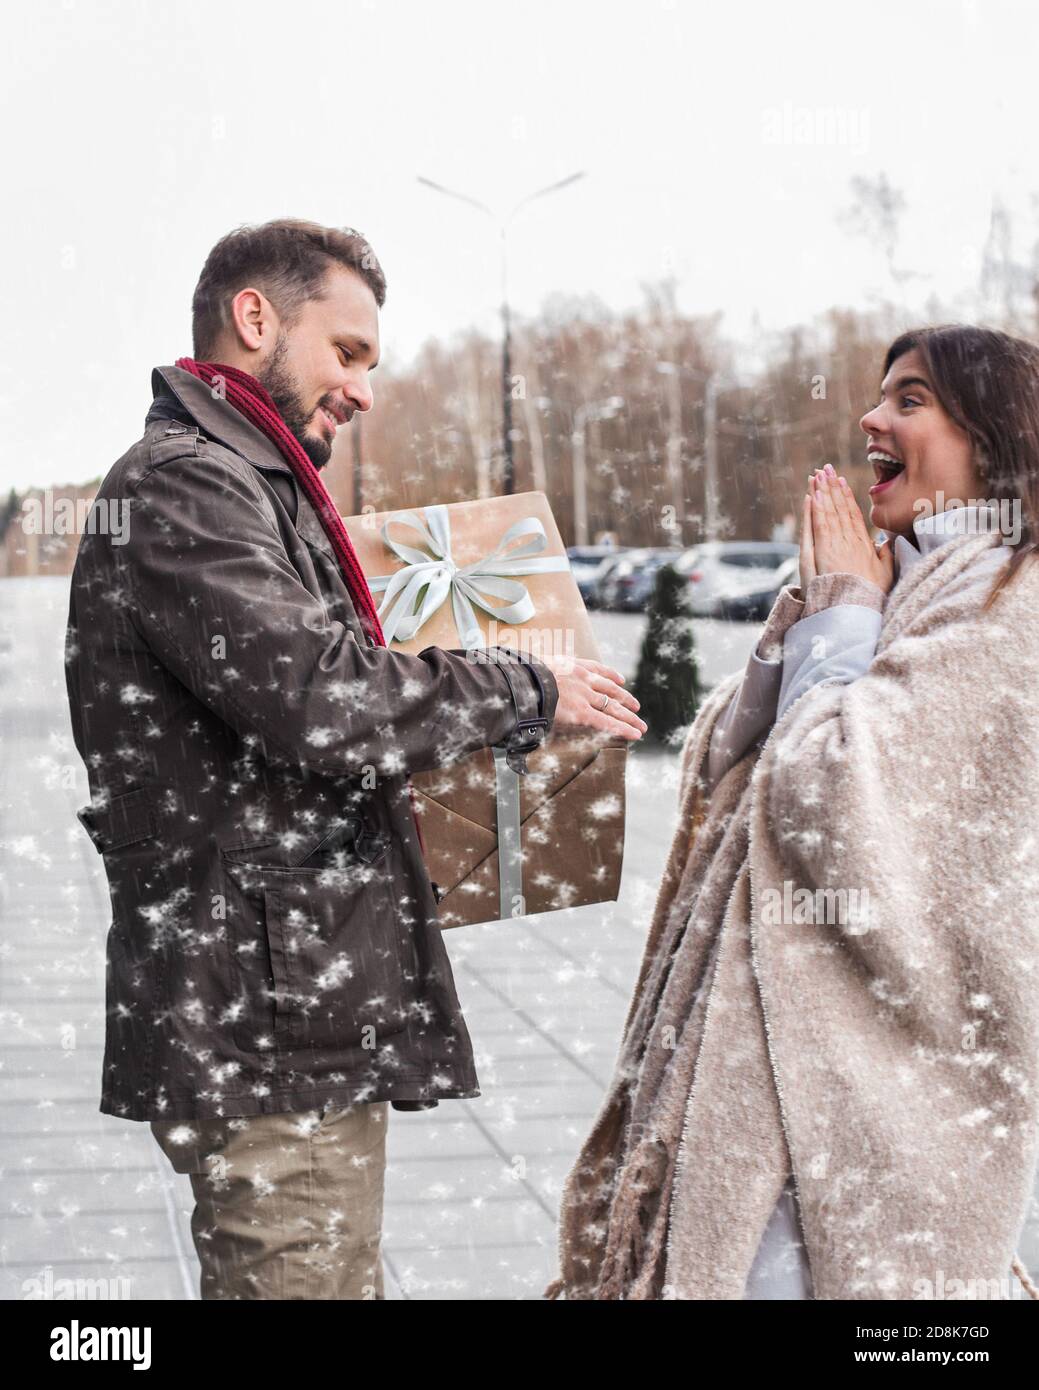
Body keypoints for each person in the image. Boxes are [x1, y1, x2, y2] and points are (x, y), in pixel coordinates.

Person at [65, 217, 647, 1300]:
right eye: (347, 352)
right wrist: (526, 686)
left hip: (288, 1006)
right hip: (261, 1018)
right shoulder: (187, 485)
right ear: (255, 319)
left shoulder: (250, 483)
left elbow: (313, 711)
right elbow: (321, 698)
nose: (363, 390)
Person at [549, 324, 1039, 1301]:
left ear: (990, 439)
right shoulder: (914, 581)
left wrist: (845, 614)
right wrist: (816, 618)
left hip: (864, 1104)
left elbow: (830, 809)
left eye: (909, 399)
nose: (871, 417)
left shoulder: (1005, 604)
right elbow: (723, 776)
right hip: (786, 1080)